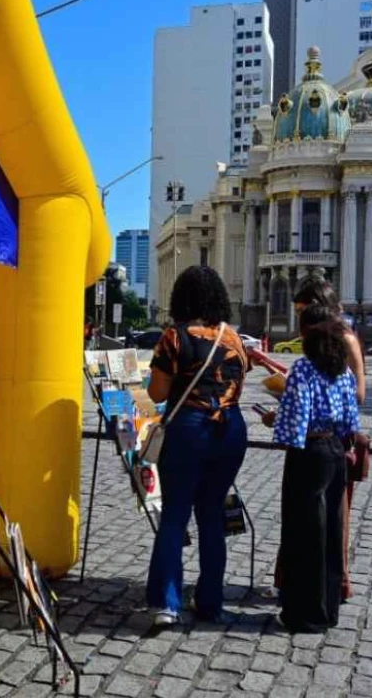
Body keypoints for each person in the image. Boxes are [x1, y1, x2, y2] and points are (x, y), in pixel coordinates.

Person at [145, 266, 250, 627]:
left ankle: (166, 603)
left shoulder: (174, 337)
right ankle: (210, 603)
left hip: (189, 429)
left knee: (174, 515)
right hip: (231, 430)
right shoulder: (234, 338)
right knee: (211, 516)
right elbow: (238, 388)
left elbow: (157, 392)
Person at [265, 305, 360, 633]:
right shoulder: (342, 369)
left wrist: (273, 423)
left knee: (303, 530)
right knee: (331, 530)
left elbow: (295, 420)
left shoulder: (304, 368)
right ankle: (327, 610)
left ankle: (301, 613)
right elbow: (351, 418)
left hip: (309, 451)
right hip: (336, 450)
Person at [292, 281, 365, 405]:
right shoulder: (311, 339)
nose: (299, 317)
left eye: (300, 311)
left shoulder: (346, 340)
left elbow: (358, 395)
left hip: (335, 422)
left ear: (319, 308)